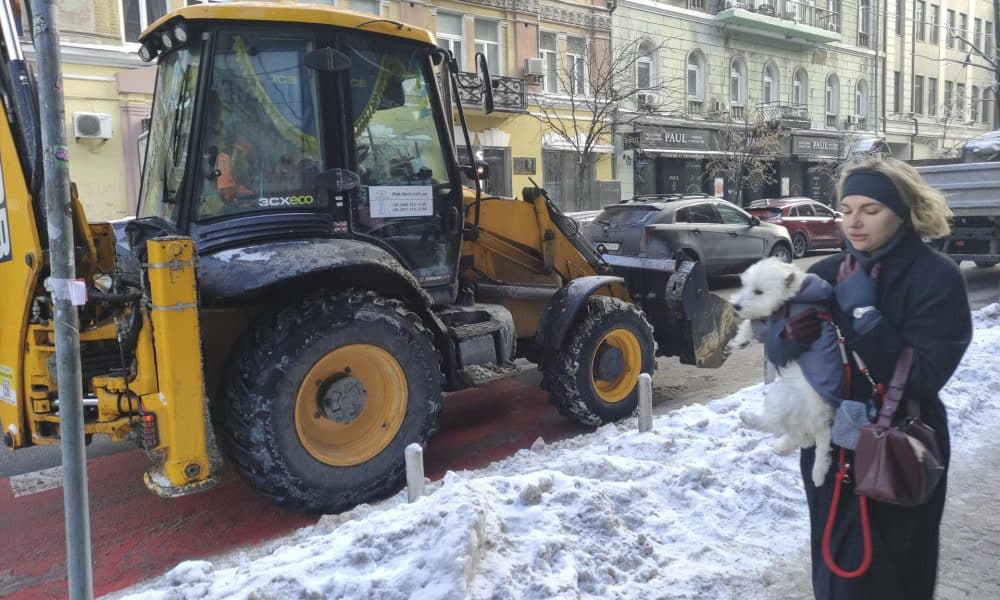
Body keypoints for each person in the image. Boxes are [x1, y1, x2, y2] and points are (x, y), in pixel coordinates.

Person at [766, 157, 972, 599]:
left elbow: (925, 375)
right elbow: (786, 363)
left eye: (871, 210)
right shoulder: (822, 274)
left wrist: (866, 315)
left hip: (902, 444)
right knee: (836, 565)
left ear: (902, 211)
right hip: (833, 446)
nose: (854, 222)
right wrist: (782, 340)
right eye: (847, 209)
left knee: (896, 570)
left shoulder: (937, 278)